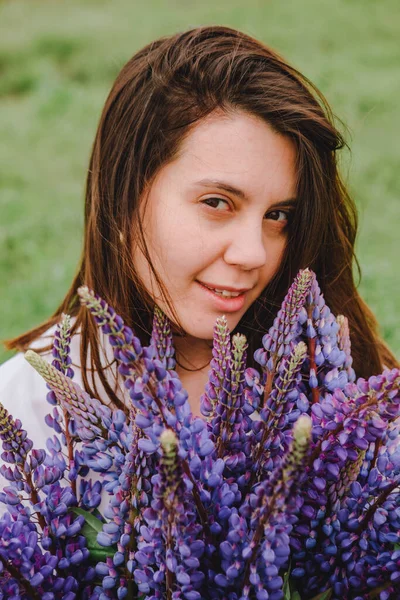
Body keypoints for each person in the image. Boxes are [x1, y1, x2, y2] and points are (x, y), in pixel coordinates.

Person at [1, 25, 398, 455]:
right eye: (217, 202)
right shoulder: (23, 410)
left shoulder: (347, 377)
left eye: (278, 215)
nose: (253, 253)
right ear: (126, 194)